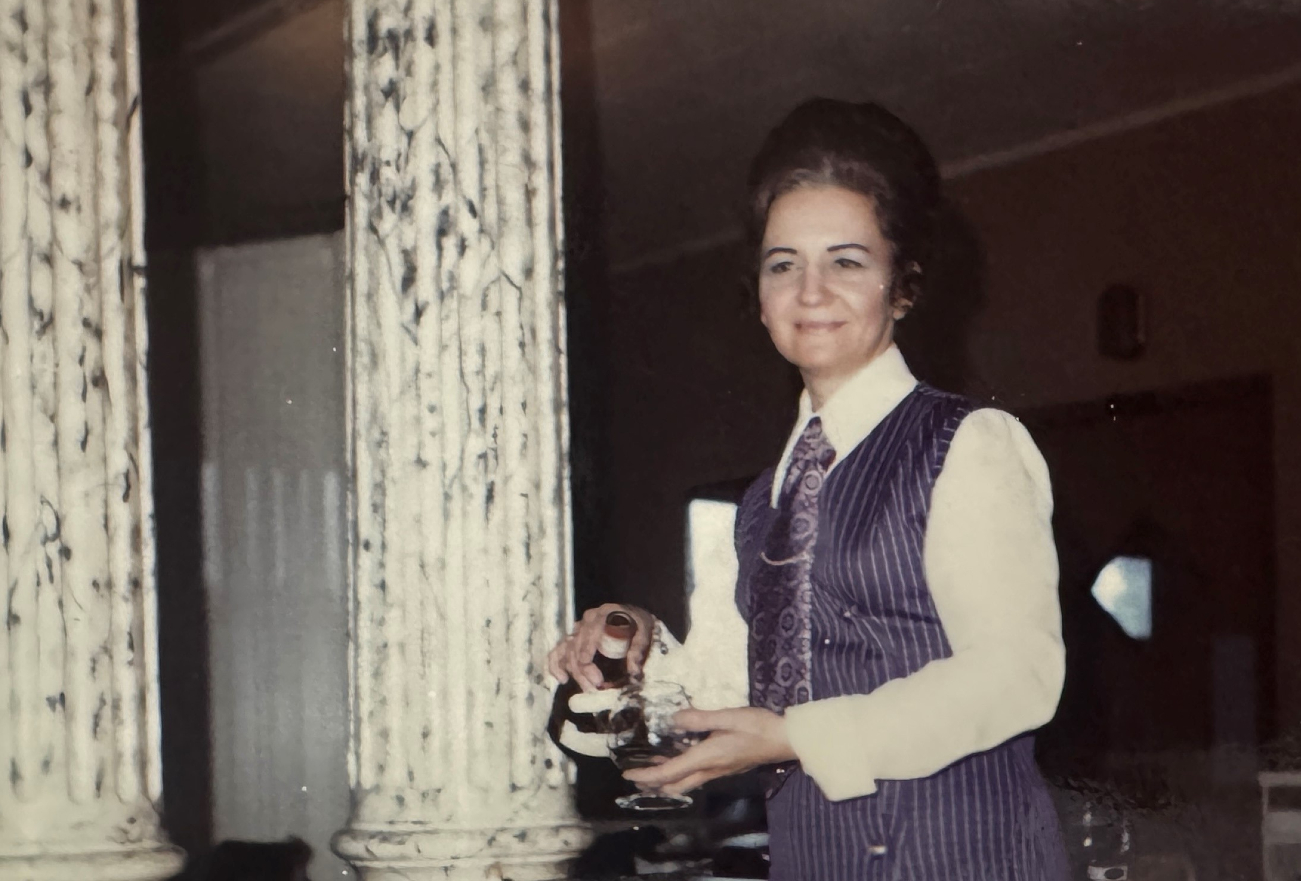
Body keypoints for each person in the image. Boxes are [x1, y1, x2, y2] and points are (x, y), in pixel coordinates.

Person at [548, 98, 1069, 880]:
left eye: (847, 260)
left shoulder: (965, 443)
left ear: (903, 285)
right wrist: (631, 645)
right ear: (759, 299)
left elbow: (1015, 676)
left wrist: (796, 738)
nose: (810, 290)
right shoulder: (765, 498)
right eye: (782, 263)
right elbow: (728, 692)